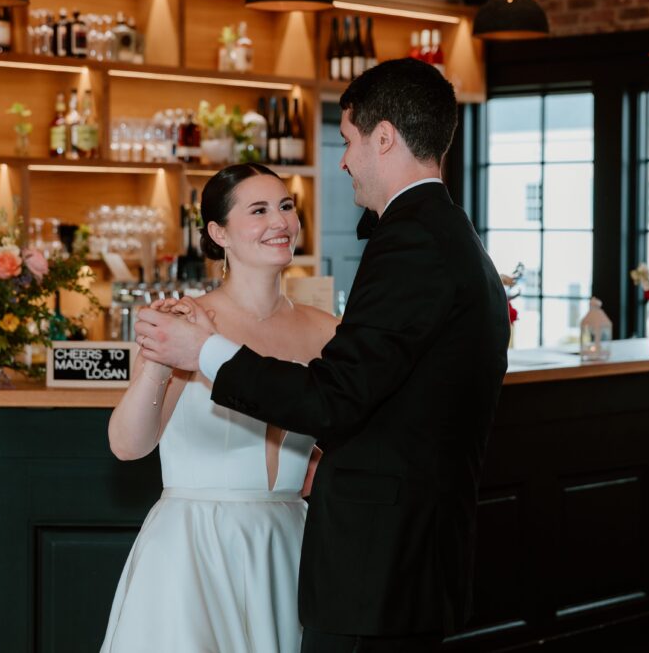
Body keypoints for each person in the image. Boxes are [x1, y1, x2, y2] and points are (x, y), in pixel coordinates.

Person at [137, 58, 511, 653]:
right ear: (218, 233)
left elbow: (334, 398)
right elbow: (389, 394)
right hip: (405, 553)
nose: (342, 161)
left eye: (348, 140)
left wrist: (204, 350)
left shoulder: (412, 242)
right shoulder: (449, 232)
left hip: (381, 560)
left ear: (383, 138)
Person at [100, 163, 336, 653]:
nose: (280, 222)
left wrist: (318, 458)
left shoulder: (327, 330)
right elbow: (128, 445)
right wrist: (160, 359)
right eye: (259, 211)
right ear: (218, 233)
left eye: (286, 207)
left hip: (290, 545)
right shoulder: (187, 320)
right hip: (195, 550)